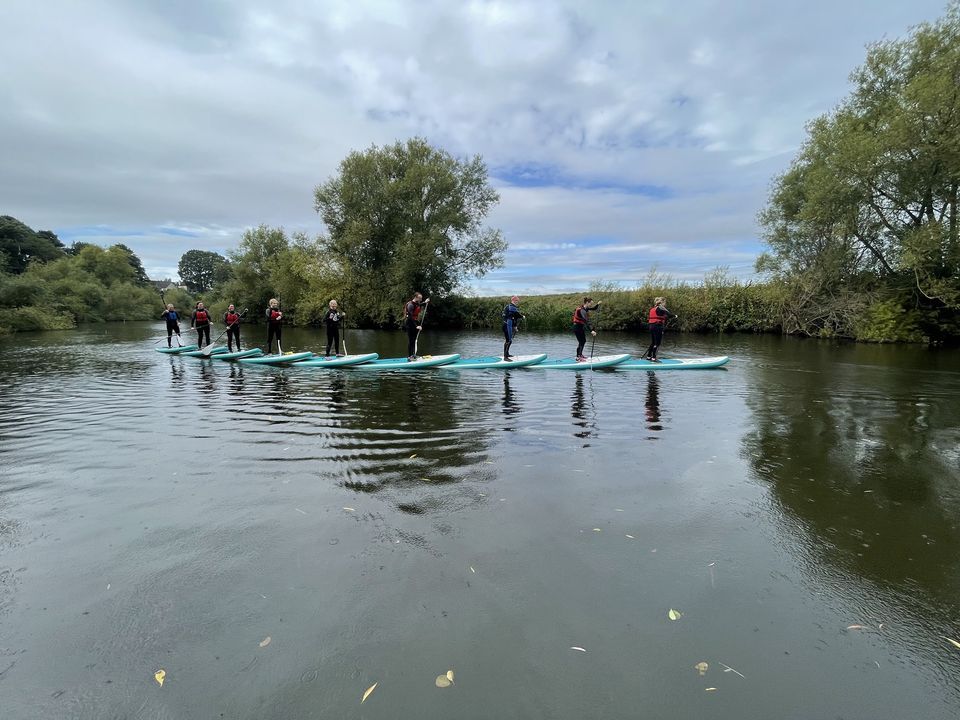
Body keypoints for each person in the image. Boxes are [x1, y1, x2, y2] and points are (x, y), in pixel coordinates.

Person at [643, 296, 677, 362]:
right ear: (662, 302)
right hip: (657, 326)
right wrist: (675, 316)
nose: (665, 304)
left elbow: (662, 316)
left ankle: (648, 357)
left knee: (653, 343)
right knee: (657, 343)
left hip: (651, 326)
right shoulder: (661, 308)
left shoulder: (653, 309)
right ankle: (654, 358)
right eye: (665, 303)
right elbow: (669, 315)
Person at [403, 292, 429, 360]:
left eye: (421, 298)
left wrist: (425, 302)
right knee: (411, 340)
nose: (421, 299)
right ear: (416, 297)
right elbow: (410, 317)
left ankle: (413, 355)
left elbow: (419, 304)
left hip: (414, 322)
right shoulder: (410, 305)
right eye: (420, 298)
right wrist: (416, 326)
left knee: (414, 340)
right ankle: (410, 356)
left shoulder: (416, 303)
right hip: (409, 323)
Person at [502, 295, 524, 360]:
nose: (517, 302)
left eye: (518, 301)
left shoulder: (513, 307)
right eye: (517, 301)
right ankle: (505, 357)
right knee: (509, 340)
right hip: (506, 325)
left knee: (509, 340)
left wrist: (515, 327)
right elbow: (517, 314)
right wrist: (522, 316)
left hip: (509, 325)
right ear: (513, 300)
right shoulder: (510, 307)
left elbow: (514, 318)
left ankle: (507, 354)